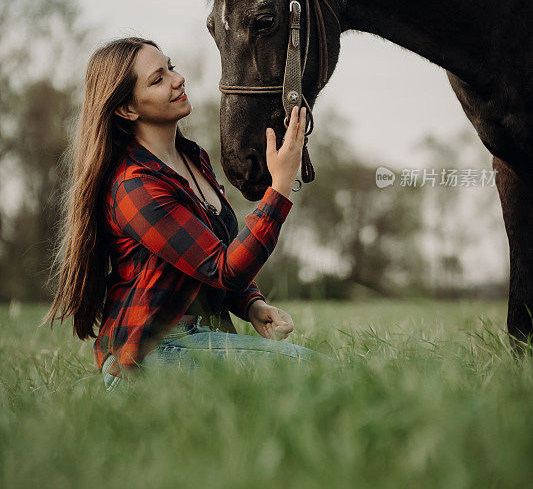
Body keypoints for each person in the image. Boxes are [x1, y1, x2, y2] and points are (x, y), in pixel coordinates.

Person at [43, 37, 330, 392]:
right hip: (152, 354)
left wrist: (252, 304)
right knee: (319, 371)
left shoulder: (192, 159)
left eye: (171, 68)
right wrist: (280, 187)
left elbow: (207, 258)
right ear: (128, 110)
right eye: (157, 78)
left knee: (318, 376)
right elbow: (223, 268)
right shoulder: (134, 187)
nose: (177, 79)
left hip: (198, 338)